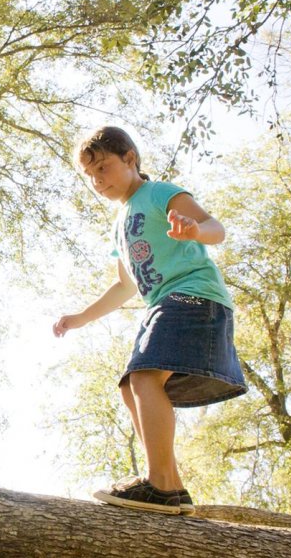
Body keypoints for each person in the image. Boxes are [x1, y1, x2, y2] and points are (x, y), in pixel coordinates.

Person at [54, 126, 245, 514]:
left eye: (104, 168)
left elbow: (216, 228)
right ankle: (172, 488)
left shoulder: (157, 194)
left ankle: (158, 484)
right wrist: (79, 319)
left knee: (143, 376)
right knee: (131, 387)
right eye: (90, 176)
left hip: (193, 296)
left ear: (130, 158)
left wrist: (194, 231)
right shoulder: (119, 223)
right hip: (163, 304)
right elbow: (124, 286)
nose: (98, 181)